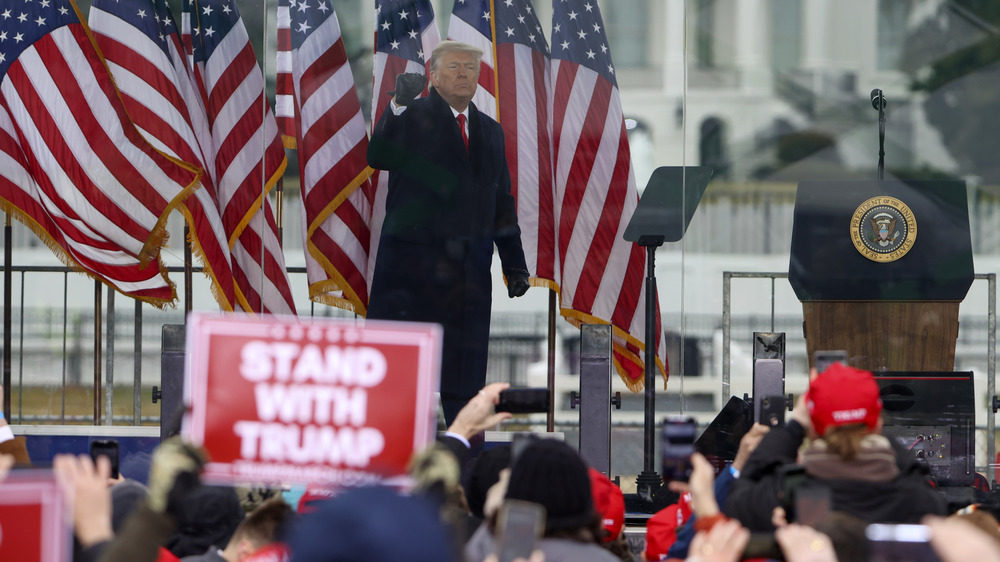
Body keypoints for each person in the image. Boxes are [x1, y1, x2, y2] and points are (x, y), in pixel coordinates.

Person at [366, 40, 530, 425]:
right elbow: (379, 157)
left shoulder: (490, 131)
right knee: (402, 376)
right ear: (433, 78)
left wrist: (515, 265)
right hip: (412, 275)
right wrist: (398, 106)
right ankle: (396, 467)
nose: (463, 74)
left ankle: (467, 466)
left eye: (470, 69)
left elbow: (500, 202)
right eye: (454, 67)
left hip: (468, 277)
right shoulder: (413, 116)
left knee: (464, 383)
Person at [723, 363, 947, 532]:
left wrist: (794, 428)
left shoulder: (791, 491)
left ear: (813, 428)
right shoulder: (911, 498)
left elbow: (739, 503)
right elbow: (933, 500)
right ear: (877, 423)